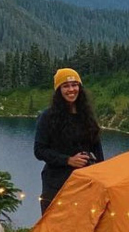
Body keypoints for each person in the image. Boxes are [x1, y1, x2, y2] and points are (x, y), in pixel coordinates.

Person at [34, 67, 104, 214]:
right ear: (58, 90)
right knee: (55, 228)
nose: (71, 90)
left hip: (84, 183)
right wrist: (68, 160)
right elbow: (39, 150)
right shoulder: (48, 116)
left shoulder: (86, 115)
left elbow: (97, 149)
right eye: (65, 86)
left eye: (75, 85)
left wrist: (101, 173)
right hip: (56, 184)